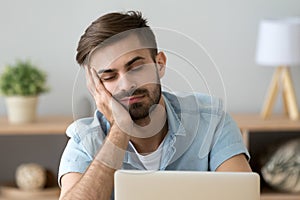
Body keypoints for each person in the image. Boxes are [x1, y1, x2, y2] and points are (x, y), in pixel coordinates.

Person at [58, 11, 252, 200]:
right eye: (109, 76)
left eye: (136, 67)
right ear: (96, 88)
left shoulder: (211, 120)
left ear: (160, 63)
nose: (126, 85)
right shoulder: (84, 140)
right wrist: (120, 130)